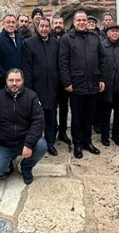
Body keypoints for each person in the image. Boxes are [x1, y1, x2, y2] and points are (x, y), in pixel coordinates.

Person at [58, 10, 106, 158]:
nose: (82, 22)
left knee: (90, 116)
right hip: (76, 85)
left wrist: (102, 79)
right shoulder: (67, 38)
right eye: (78, 20)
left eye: (84, 20)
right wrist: (67, 82)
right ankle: (77, 144)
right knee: (77, 117)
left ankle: (87, 142)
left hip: (93, 83)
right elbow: (63, 62)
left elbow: (102, 59)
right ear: (74, 22)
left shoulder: (94, 37)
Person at [0, 69, 47, 185]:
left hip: (24, 140)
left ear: (23, 81)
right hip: (5, 143)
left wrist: (29, 144)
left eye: (18, 80)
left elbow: (38, 122)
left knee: (42, 145)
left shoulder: (32, 97)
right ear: (6, 81)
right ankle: (8, 165)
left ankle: (26, 167)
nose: (14, 83)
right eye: (11, 80)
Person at [22, 17, 61, 155]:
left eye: (46, 26)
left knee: (51, 116)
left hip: (52, 87)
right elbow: (27, 69)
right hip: (36, 87)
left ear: (50, 28)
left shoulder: (55, 43)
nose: (44, 29)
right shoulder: (29, 43)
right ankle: (35, 143)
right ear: (37, 27)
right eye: (41, 26)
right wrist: (29, 90)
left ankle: (50, 143)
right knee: (36, 118)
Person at [100, 23, 119, 146]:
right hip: (107, 86)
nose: (114, 33)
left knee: (118, 112)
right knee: (105, 113)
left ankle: (117, 135)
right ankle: (104, 136)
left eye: (117, 31)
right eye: (112, 31)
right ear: (108, 33)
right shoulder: (102, 46)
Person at [51, 16, 72, 148]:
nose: (58, 25)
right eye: (55, 23)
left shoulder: (68, 38)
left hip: (64, 80)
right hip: (52, 80)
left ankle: (63, 132)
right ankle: (52, 131)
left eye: (60, 23)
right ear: (52, 25)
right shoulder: (48, 38)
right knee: (52, 108)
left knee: (64, 108)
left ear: (63, 25)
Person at [0, 14, 24, 92]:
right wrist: (7, 77)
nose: (11, 24)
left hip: (18, 82)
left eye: (13, 22)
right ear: (3, 24)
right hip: (3, 83)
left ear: (16, 24)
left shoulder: (20, 38)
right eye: (8, 22)